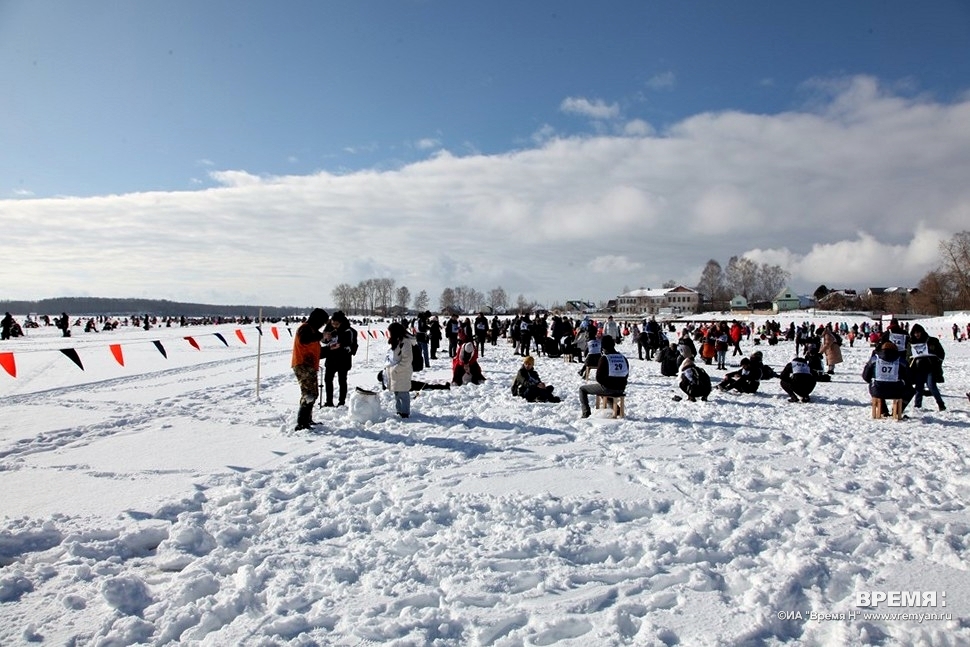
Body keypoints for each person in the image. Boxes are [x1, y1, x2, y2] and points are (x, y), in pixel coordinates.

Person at [291, 308, 328, 430]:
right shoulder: (305, 328)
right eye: (322, 322)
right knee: (309, 394)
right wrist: (320, 336)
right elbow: (304, 339)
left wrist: (329, 349)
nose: (322, 325)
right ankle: (302, 423)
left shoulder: (312, 331)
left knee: (312, 393)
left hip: (309, 365)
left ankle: (307, 419)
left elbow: (315, 351)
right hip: (303, 365)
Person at [579, 335, 629, 418]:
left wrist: (607, 383)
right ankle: (615, 408)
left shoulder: (605, 358)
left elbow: (599, 378)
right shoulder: (623, 357)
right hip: (621, 388)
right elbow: (626, 374)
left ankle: (586, 412)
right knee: (603, 388)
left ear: (603, 347)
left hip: (609, 388)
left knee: (582, 389)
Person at [863, 341, 916, 417]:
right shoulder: (901, 361)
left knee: (876, 388)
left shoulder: (874, 359)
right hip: (897, 391)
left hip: (877, 390)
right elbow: (909, 377)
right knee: (910, 391)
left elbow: (866, 376)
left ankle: (883, 410)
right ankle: (897, 411)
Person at [907, 323, 946, 411]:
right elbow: (907, 356)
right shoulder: (910, 343)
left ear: (922, 332)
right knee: (919, 387)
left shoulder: (932, 341)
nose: (917, 334)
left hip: (929, 368)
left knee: (932, 386)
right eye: (915, 333)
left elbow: (941, 353)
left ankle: (941, 404)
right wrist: (910, 362)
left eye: (918, 332)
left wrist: (937, 360)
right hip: (917, 369)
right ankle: (917, 405)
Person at [321, 311, 354, 407]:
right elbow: (323, 339)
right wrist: (326, 338)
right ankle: (329, 401)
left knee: (342, 381)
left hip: (343, 360)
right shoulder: (329, 327)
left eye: (337, 324)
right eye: (333, 323)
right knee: (327, 380)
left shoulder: (348, 330)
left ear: (341, 322)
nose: (334, 326)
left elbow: (347, 344)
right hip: (331, 358)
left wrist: (339, 344)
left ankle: (341, 402)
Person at [384, 322, 416, 418]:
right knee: (397, 392)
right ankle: (399, 411)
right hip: (394, 372)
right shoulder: (396, 340)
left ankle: (405, 413)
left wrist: (396, 369)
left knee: (403, 392)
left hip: (402, 371)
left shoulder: (405, 342)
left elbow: (407, 359)